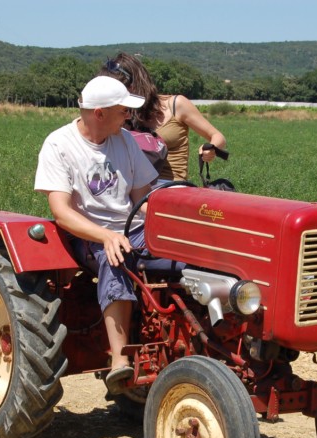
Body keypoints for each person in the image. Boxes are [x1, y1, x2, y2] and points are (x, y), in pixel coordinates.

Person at [34, 75, 157, 395]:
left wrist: (169, 226)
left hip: (129, 228)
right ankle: (119, 360)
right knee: (114, 259)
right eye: (123, 111)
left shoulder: (125, 140)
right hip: (84, 233)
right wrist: (105, 235)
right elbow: (61, 212)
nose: (128, 116)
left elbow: (143, 199)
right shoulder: (59, 144)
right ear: (99, 113)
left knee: (179, 257)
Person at [100, 52, 227, 182]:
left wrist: (210, 148)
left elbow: (218, 137)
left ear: (136, 84)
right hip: (133, 189)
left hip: (170, 188)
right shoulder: (121, 113)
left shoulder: (176, 105)